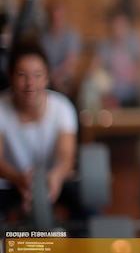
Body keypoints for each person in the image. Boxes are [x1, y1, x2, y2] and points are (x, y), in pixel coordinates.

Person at [0, 40, 88, 225]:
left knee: (87, 206)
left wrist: (55, 177)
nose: (30, 83)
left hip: (54, 179)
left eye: (37, 75)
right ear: (10, 76)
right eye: (22, 75)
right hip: (11, 182)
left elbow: (66, 158)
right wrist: (19, 178)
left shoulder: (62, 108)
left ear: (47, 77)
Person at [86, 9, 140, 108]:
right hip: (112, 85)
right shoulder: (105, 44)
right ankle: (91, 119)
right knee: (90, 83)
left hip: (135, 84)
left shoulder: (135, 40)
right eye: (115, 25)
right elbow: (95, 66)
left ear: (127, 26)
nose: (118, 29)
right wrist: (94, 75)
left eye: (121, 25)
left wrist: (138, 73)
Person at [40, 0, 82, 98]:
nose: (56, 19)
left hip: (64, 76)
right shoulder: (43, 37)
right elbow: (41, 60)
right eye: (54, 16)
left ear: (64, 16)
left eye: (59, 16)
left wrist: (56, 77)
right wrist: (50, 76)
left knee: (62, 84)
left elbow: (70, 63)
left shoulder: (72, 34)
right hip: (47, 75)